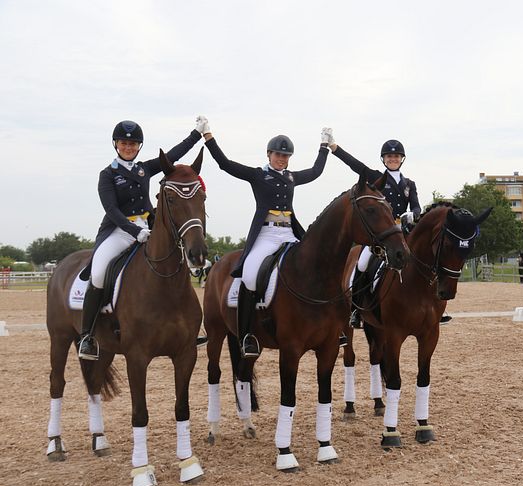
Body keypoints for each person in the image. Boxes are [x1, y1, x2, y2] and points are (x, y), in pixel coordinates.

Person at [200, 117, 329, 358]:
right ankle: (248, 334)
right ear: (269, 154)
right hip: (267, 234)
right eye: (278, 155)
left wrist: (324, 147)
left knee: (316, 268)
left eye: (286, 156)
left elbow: (316, 171)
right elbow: (225, 164)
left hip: (289, 232)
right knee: (249, 273)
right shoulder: (258, 175)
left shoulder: (291, 177)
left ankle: (330, 326)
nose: (282, 159)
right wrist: (209, 138)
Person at [77, 120, 204, 361]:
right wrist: (134, 231)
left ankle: (183, 328)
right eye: (124, 143)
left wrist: (196, 134)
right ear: (116, 145)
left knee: (175, 261)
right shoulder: (108, 174)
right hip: (119, 231)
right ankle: (88, 336)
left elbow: (173, 155)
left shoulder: (144, 169)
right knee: (100, 272)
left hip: (148, 228)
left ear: (138, 146)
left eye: (133, 143)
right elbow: (111, 209)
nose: (128, 146)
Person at [323, 128, 421, 329]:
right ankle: (357, 310)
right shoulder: (376, 178)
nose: (392, 159)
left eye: (396, 156)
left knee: (424, 260)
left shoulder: (409, 184)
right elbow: (355, 165)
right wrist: (334, 147)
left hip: (403, 232)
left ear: (401, 159)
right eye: (389, 156)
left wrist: (414, 214)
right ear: (383, 159)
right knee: (361, 264)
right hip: (380, 235)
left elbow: (416, 205)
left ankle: (435, 306)